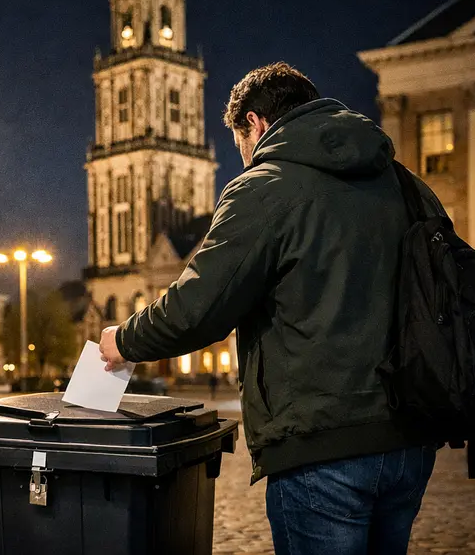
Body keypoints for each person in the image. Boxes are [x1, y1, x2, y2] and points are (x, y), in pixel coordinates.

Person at [100, 62, 447, 555]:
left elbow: (200, 307)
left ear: (256, 123)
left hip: (321, 444)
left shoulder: (264, 186)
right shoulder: (404, 182)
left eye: (241, 142)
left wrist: (123, 340)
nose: (243, 158)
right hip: (410, 441)